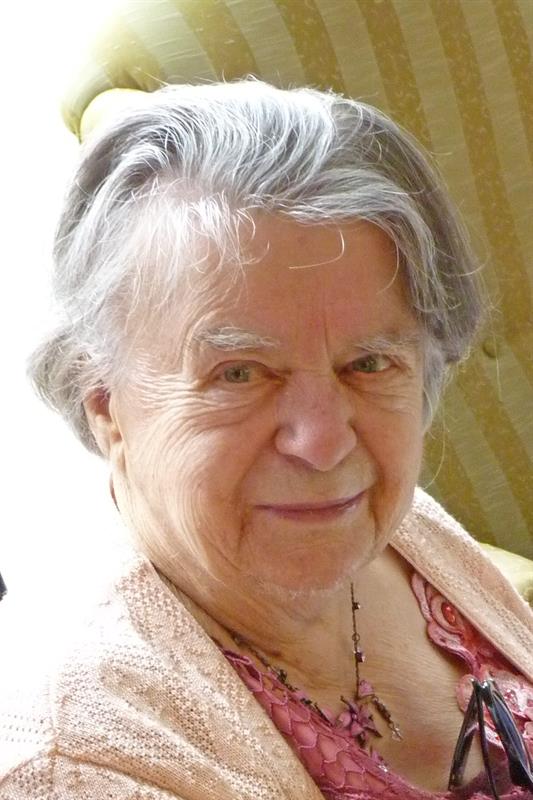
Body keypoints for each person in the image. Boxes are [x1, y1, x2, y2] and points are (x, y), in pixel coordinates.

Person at [1, 79, 532, 800]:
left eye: (369, 363)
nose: (324, 443)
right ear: (106, 405)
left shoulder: (375, 526)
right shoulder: (74, 766)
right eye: (240, 373)